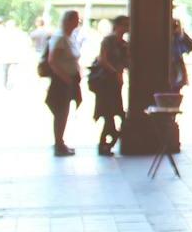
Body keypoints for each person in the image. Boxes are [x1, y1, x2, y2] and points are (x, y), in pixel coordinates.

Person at [45, 10, 83, 157]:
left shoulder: (70, 37)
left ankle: (61, 142)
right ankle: (58, 143)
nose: (77, 23)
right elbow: (53, 60)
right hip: (61, 81)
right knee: (61, 112)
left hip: (70, 79)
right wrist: (64, 77)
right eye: (76, 20)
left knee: (64, 112)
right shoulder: (60, 38)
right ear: (69, 21)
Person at [92, 15, 129, 156]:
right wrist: (115, 72)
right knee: (109, 114)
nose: (127, 28)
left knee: (115, 113)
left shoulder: (123, 43)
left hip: (116, 83)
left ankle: (107, 144)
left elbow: (127, 62)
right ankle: (105, 144)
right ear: (117, 26)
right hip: (106, 82)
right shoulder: (108, 40)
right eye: (124, 25)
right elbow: (103, 59)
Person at [171, 17, 192, 91]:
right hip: (173, 65)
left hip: (176, 65)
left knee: (176, 89)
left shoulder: (179, 36)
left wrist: (181, 33)